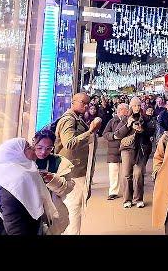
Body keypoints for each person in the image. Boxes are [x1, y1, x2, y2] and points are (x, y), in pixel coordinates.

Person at [0, 138, 58, 235]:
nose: (33, 149)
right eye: (29, 147)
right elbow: (14, 223)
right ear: (17, 153)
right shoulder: (16, 181)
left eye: (49, 148)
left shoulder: (4, 174)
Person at [55, 92, 101, 235]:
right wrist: (90, 131)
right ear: (73, 102)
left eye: (88, 103)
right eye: (83, 103)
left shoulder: (77, 118)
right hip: (72, 173)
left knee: (74, 208)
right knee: (73, 209)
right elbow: (69, 143)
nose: (86, 106)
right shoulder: (69, 120)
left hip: (76, 171)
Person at [32, 130, 74, 235]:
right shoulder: (25, 159)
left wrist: (52, 179)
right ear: (33, 143)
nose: (43, 152)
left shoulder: (58, 162)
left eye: (48, 148)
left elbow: (67, 188)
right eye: (39, 147)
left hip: (51, 210)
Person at [120, 97, 155, 208]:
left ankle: (138, 198)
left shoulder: (146, 118)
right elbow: (118, 134)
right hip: (127, 150)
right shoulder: (125, 119)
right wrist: (128, 125)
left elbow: (151, 132)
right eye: (135, 105)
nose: (137, 108)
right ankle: (127, 199)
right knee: (127, 175)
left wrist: (142, 129)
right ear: (131, 106)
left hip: (141, 149)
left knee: (139, 174)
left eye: (139, 105)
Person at [102, 103, 131, 200]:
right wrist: (113, 136)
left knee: (126, 172)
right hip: (113, 151)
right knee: (113, 172)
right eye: (125, 109)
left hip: (126, 149)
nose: (127, 111)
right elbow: (105, 134)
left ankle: (128, 191)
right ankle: (113, 192)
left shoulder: (130, 120)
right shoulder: (112, 121)